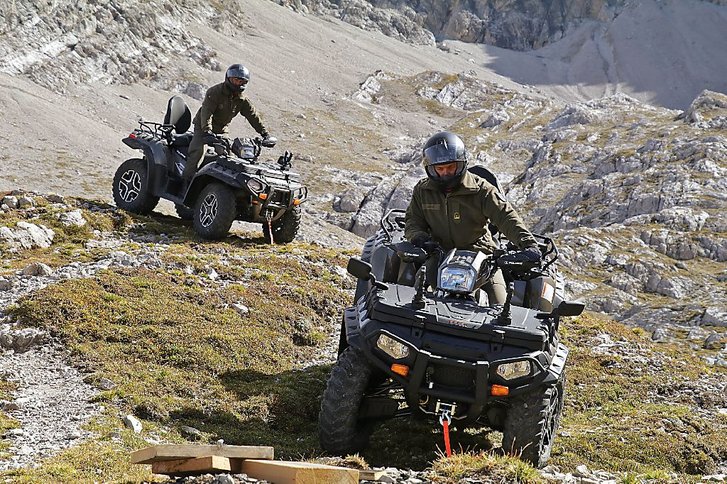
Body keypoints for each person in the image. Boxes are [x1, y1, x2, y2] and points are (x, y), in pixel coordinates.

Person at [404, 131, 541, 305]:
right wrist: (419, 238)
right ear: (430, 168)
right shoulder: (422, 191)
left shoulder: (483, 190)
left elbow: (507, 217)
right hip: (438, 253)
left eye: (451, 167)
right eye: (440, 168)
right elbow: (413, 221)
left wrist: (528, 245)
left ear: (461, 164)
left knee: (500, 304)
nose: (445, 173)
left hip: (482, 256)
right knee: (415, 295)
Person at [183, 64, 272, 182]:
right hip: (202, 127)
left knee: (227, 158)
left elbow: (253, 116)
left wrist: (265, 134)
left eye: (241, 81)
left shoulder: (242, 100)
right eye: (235, 80)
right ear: (228, 79)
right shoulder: (215, 92)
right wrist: (207, 131)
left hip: (222, 130)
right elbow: (207, 113)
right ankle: (185, 183)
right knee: (197, 153)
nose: (238, 83)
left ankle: (216, 185)